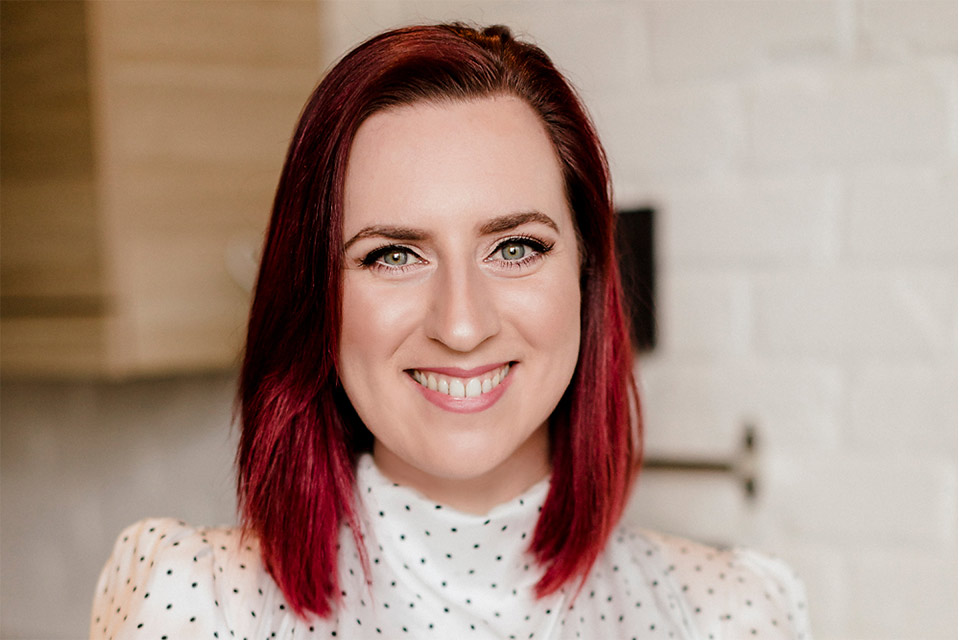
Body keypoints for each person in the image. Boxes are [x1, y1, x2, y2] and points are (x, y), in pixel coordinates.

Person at [90, 23, 810, 639]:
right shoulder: (195, 603)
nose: (461, 326)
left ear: (587, 275)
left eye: (516, 248)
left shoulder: (729, 613)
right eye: (393, 255)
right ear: (317, 298)